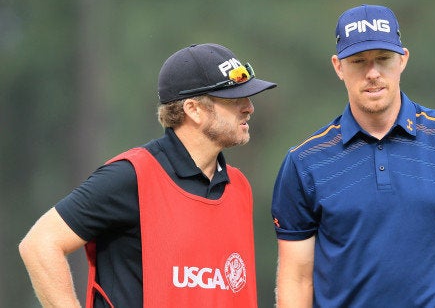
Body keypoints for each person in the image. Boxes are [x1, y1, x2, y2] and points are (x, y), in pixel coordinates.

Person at [271, 4, 435, 307]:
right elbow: (297, 277)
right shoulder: (305, 162)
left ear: (403, 60)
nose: (372, 73)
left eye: (383, 59)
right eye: (359, 61)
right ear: (338, 66)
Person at [19, 43, 276, 307]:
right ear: (193, 109)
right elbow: (40, 244)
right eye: (234, 99)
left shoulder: (239, 186)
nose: (249, 107)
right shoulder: (132, 176)